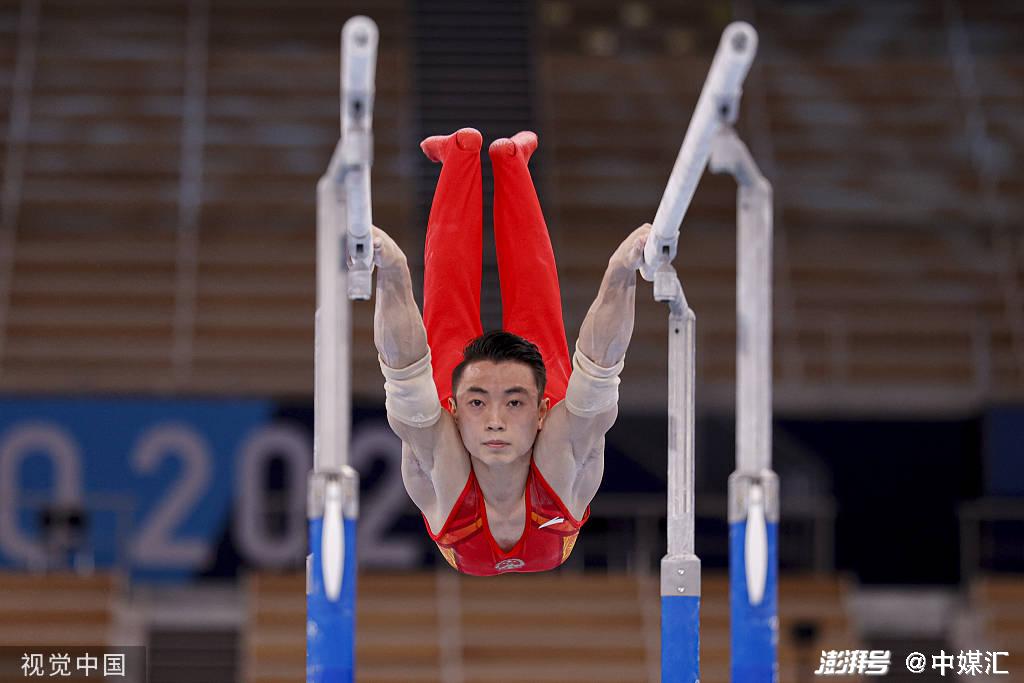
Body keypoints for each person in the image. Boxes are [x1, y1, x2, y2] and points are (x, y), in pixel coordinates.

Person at [371, 127, 651, 575]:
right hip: (517, 423)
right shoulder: (563, 461)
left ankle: (461, 155)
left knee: (442, 317)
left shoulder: (446, 471)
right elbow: (602, 366)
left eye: (512, 404)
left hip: (488, 428)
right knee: (541, 311)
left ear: (538, 412)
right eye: (480, 404)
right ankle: (511, 161)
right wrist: (620, 273)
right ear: (460, 411)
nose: (495, 420)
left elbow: (402, 369)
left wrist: (394, 272)